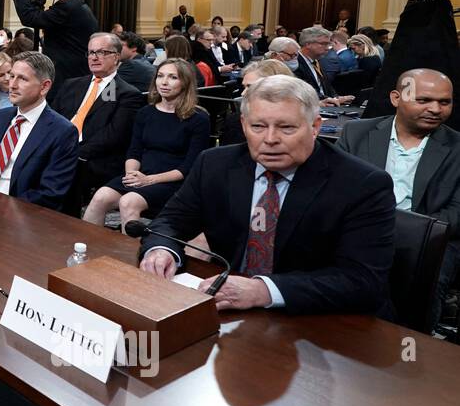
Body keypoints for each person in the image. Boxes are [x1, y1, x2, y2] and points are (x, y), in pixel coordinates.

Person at [139, 76, 395, 315]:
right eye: (258, 126)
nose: (270, 139)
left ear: (315, 126)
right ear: (243, 125)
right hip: (227, 308)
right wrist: (162, 250)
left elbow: (362, 280)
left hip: (319, 322)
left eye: (286, 127)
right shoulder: (214, 164)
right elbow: (171, 221)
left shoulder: (362, 183)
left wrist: (265, 290)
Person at [337, 69, 460, 332]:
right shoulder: (355, 133)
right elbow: (336, 193)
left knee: (425, 284)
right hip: (360, 232)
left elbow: (456, 213)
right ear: (396, 97)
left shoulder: (457, 147)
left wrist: (405, 233)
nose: (436, 109)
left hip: (431, 242)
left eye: (444, 102)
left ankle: (410, 355)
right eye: (424, 100)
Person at [82, 58, 211, 226]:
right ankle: (88, 249)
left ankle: (133, 253)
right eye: (160, 76)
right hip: (140, 175)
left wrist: (149, 180)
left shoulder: (198, 119)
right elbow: (134, 150)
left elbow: (189, 167)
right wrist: (131, 174)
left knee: (128, 202)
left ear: (185, 83)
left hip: (172, 181)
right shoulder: (145, 112)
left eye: (173, 77)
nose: (164, 82)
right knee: (100, 197)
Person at [0, 53, 78, 209]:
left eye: (22, 79)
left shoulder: (62, 132)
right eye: (12, 76)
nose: (12, 85)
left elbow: (50, 193)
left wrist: (1, 208)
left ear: (44, 86)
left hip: (18, 214)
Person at [51, 33, 144, 210]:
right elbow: (52, 118)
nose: (94, 57)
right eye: (91, 52)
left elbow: (113, 136)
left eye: (101, 52)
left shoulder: (126, 93)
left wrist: (70, 151)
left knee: (67, 169)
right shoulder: (72, 84)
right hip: (60, 148)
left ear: (116, 57)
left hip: (93, 158)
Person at [6, 0, 98, 82]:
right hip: (72, 73)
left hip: (67, 76)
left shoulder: (68, 8)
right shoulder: (73, 5)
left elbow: (30, 18)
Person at [219, 58, 293, 146]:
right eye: (244, 87)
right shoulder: (236, 123)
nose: (243, 93)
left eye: (251, 87)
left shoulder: (302, 118)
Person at [290, 26, 352, 105]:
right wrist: (328, 99)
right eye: (323, 44)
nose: (327, 48)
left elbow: (326, 87)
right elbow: (305, 91)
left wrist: (336, 97)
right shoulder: (296, 64)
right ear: (308, 44)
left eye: (328, 44)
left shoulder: (317, 61)